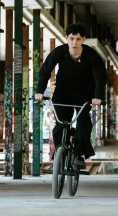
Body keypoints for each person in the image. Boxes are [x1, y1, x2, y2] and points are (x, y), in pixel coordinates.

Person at [34, 23, 107, 169]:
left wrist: (98, 96)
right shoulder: (59, 52)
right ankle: (60, 150)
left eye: (78, 39)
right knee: (60, 122)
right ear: (66, 38)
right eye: (72, 38)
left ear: (83, 39)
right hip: (63, 92)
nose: (74, 43)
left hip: (84, 93)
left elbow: (100, 77)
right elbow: (45, 71)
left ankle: (79, 154)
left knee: (83, 121)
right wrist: (40, 91)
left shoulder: (91, 55)